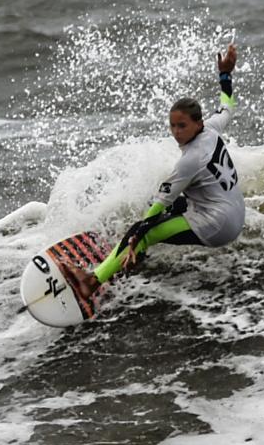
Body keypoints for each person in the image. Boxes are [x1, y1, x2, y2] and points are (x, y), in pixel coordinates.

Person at [65, 43, 243, 300]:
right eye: (172, 126)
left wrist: (137, 236)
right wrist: (225, 75)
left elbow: (160, 204)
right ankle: (130, 260)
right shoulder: (212, 128)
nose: (176, 132)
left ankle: (91, 282)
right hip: (234, 212)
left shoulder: (189, 160)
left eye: (182, 126)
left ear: (198, 123)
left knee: (145, 228)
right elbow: (228, 106)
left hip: (217, 225)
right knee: (164, 209)